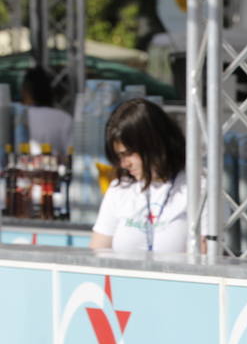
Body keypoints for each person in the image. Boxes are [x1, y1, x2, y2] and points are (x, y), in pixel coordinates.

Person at [91, 98, 193, 253]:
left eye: (128, 154)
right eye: (119, 156)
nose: (124, 164)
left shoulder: (196, 187)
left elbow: (208, 257)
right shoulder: (120, 189)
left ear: (153, 144)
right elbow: (98, 251)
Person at [20, 66, 72, 155]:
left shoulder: (16, 116)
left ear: (25, 92)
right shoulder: (64, 118)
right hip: (54, 163)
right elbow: (71, 153)